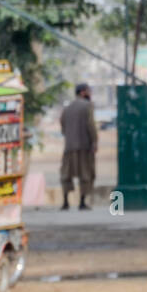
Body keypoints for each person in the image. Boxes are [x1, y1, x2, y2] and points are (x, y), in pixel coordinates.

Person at [59, 83, 97, 211]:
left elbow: (63, 126)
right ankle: (82, 202)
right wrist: (94, 142)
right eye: (88, 91)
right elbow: (91, 125)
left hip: (69, 146)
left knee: (66, 175)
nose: (90, 94)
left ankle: (65, 202)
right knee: (85, 174)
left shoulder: (67, 107)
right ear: (82, 92)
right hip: (84, 146)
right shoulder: (88, 106)